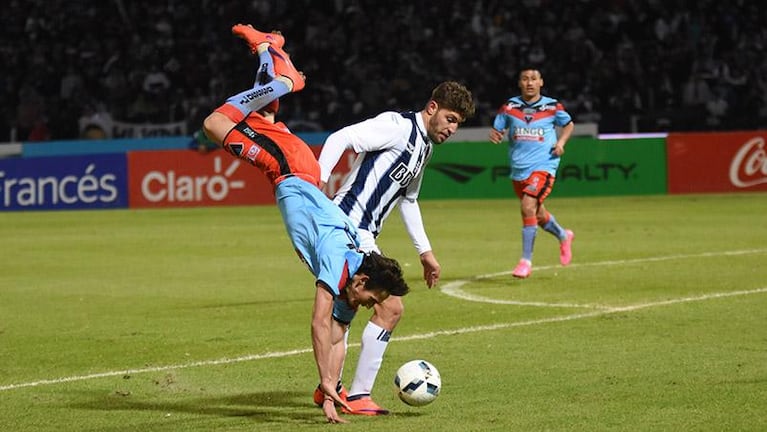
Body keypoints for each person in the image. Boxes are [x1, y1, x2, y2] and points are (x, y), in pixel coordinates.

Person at [201, 24, 410, 424]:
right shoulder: (337, 263)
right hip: (292, 170)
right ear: (361, 282)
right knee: (215, 123)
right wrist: (323, 378)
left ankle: (268, 47)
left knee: (261, 115)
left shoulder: (354, 277)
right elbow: (317, 323)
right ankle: (284, 80)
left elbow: (333, 336)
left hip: (301, 174)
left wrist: (329, 392)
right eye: (373, 299)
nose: (370, 306)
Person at [316, 81, 475, 415]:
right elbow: (340, 138)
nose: (452, 128)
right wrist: (319, 179)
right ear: (432, 107)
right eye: (449, 118)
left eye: (457, 123)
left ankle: (333, 388)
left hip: (365, 234)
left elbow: (410, 198)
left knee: (350, 309)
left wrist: (425, 251)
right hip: (347, 225)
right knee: (387, 308)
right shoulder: (397, 127)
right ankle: (352, 394)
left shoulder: (425, 148)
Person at [488, 67, 575, 279]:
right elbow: (498, 128)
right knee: (538, 213)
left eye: (533, 79)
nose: (529, 82)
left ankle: (525, 261)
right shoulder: (510, 106)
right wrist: (497, 134)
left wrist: (561, 142)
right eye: (525, 79)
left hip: (544, 164)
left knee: (527, 206)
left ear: (541, 82)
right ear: (519, 82)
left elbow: (569, 124)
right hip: (519, 169)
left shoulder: (552, 106)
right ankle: (564, 236)